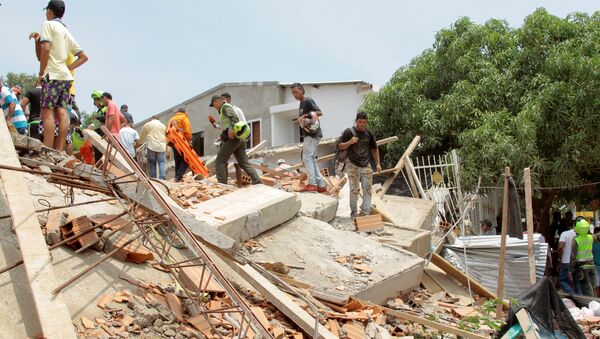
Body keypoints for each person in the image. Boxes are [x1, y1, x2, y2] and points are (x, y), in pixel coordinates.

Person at [33, 0, 88, 151]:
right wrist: (68, 68)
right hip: (65, 77)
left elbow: (46, 47)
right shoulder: (66, 31)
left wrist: (41, 73)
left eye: (47, 11)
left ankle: (46, 149)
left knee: (46, 112)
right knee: (62, 111)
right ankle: (58, 150)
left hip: (52, 74)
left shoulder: (48, 24)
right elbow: (84, 56)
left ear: (50, 11)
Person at [337, 112, 382, 218]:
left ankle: (366, 213)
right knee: (354, 189)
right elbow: (340, 146)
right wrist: (350, 142)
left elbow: (374, 149)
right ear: (356, 121)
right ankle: (354, 213)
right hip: (352, 164)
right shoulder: (349, 132)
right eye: (360, 122)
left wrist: (378, 163)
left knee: (367, 188)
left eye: (364, 122)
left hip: (366, 164)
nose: (362, 124)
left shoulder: (369, 133)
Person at [209, 96, 261, 185]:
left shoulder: (225, 107)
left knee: (220, 161)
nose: (214, 107)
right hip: (239, 139)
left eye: (213, 105)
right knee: (244, 163)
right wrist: (222, 136)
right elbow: (226, 126)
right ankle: (257, 181)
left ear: (217, 101)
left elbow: (234, 118)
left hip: (232, 139)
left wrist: (231, 129)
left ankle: (222, 184)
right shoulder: (225, 109)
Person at [291, 83, 327, 192]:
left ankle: (312, 184)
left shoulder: (307, 100)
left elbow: (319, 112)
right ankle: (320, 185)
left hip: (312, 135)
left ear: (302, 90)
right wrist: (300, 121)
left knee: (307, 158)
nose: (294, 94)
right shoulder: (301, 104)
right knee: (311, 159)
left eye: (296, 92)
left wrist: (305, 116)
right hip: (310, 135)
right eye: (293, 93)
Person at [570, 218, 596, 296]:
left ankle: (591, 305)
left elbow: (572, 256)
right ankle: (595, 304)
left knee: (587, 289)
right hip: (591, 265)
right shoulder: (591, 237)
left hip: (581, 268)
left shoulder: (576, 240)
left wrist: (570, 269)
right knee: (592, 287)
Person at [167, 107, 192, 182]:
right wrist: (189, 140)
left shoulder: (171, 119)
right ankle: (179, 176)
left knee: (177, 159)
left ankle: (177, 177)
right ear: (184, 112)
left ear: (178, 112)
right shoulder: (184, 118)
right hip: (182, 142)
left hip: (174, 142)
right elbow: (187, 130)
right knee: (186, 160)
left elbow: (167, 131)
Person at [558, 222, 577, 294]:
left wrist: (560, 258)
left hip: (566, 261)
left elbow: (560, 247)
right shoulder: (581, 235)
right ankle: (579, 298)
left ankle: (572, 294)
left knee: (563, 280)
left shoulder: (564, 234)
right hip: (577, 261)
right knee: (576, 281)